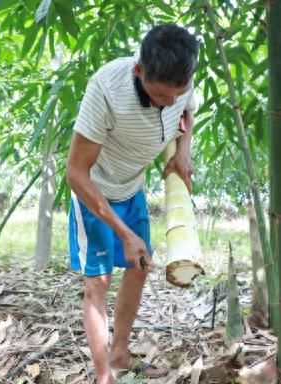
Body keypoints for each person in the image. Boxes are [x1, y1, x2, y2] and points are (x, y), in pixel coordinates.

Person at [66, 24, 198, 383]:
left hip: (131, 188)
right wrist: (123, 232)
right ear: (139, 71)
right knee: (99, 282)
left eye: (177, 94)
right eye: (160, 97)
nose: (170, 103)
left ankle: (121, 354)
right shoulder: (106, 89)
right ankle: (102, 375)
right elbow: (76, 173)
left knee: (139, 267)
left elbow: (187, 111)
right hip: (96, 194)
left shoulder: (179, 82)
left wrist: (183, 151)